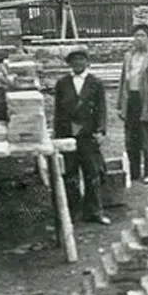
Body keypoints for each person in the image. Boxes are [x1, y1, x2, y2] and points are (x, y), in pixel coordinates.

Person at [54, 46, 111, 225]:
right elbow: (58, 112)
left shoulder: (96, 83)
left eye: (81, 59)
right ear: (69, 64)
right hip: (68, 135)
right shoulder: (62, 83)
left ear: (87, 62)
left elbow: (102, 109)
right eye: (73, 60)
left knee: (92, 174)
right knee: (70, 175)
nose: (77, 63)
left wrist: (101, 130)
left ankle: (94, 211)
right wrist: (58, 136)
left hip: (88, 135)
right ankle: (72, 212)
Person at [117, 24, 148, 185]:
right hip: (131, 100)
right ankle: (134, 171)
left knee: (146, 139)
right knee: (131, 139)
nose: (138, 39)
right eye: (136, 36)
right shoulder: (129, 57)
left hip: (145, 102)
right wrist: (120, 105)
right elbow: (123, 81)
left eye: (142, 36)